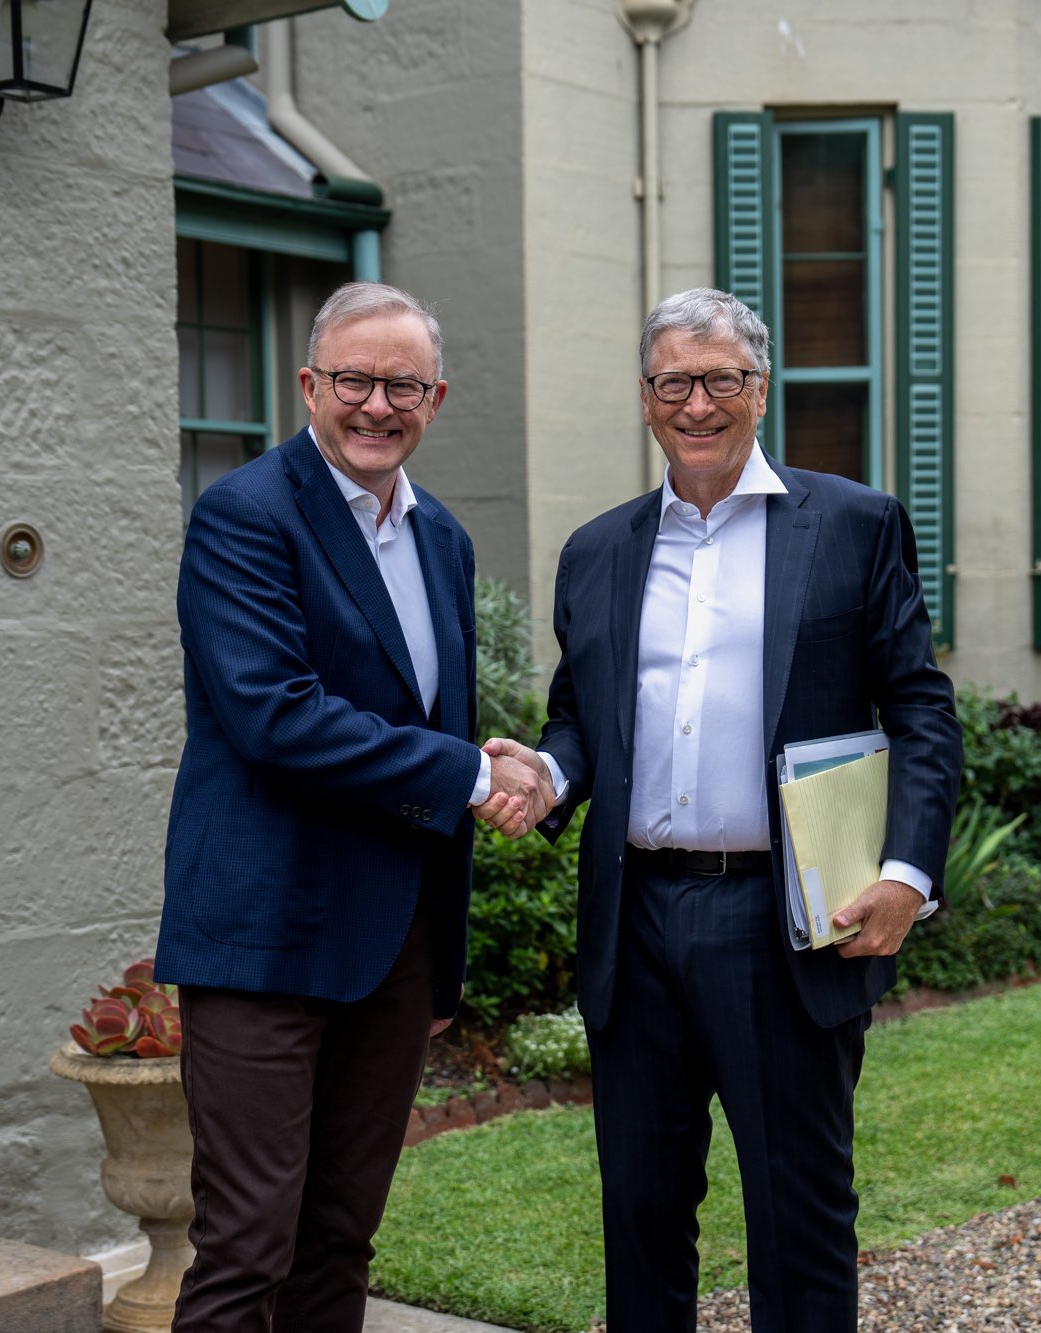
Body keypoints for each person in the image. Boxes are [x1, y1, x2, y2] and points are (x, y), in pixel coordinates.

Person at [487, 287, 962, 1331]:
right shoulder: (598, 550)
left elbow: (921, 710)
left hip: (782, 925)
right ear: (645, 397)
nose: (694, 403)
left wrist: (906, 872)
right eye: (671, 382)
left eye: (719, 380)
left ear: (760, 389)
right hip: (637, 921)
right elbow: (581, 720)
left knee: (797, 1214)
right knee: (641, 1211)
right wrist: (550, 775)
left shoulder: (852, 525)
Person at [156, 282, 549, 1333]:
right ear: (308, 386)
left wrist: (443, 951)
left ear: (436, 396)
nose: (377, 405)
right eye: (354, 381)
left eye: (402, 385)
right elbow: (273, 716)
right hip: (264, 938)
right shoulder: (242, 516)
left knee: (339, 1238)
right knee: (246, 1246)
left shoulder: (443, 542)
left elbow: (420, 714)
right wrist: (470, 774)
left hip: (393, 947)